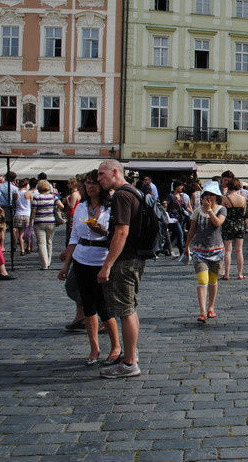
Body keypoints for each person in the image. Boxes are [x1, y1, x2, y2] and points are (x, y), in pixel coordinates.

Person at [57, 170, 121, 367]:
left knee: (104, 306)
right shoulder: (81, 207)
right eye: (87, 183)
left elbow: (118, 235)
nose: (91, 186)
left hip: (102, 259)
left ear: (102, 185)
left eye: (94, 183)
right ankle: (94, 348)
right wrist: (66, 265)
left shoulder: (111, 207)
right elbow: (74, 237)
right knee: (88, 306)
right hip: (82, 258)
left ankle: (116, 346)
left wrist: (101, 231)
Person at [96, 159, 145, 379]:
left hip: (124, 260)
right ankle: (131, 354)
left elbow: (122, 232)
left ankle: (129, 363)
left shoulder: (121, 196)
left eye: (101, 174)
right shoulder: (134, 192)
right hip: (134, 258)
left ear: (115, 172)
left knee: (125, 311)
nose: (98, 179)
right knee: (130, 309)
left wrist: (108, 264)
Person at [184, 182, 226, 323]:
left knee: (213, 281)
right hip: (199, 250)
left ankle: (211, 307)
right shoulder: (197, 210)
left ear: (216, 196)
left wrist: (209, 211)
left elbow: (218, 223)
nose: (209, 197)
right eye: (206, 194)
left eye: (212, 195)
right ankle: (202, 311)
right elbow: (192, 230)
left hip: (216, 250)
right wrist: (186, 246)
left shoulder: (221, 209)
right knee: (202, 280)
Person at [30, 179, 65, 270]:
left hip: (39, 222)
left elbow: (33, 212)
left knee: (41, 244)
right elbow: (62, 206)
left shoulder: (37, 197)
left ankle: (44, 264)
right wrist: (55, 208)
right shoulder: (53, 197)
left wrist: (31, 223)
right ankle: (48, 261)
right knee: (49, 242)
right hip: (51, 221)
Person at [220, 178, 247, 280]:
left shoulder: (225, 198)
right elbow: (244, 213)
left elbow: (222, 211)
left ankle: (226, 274)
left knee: (227, 250)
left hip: (228, 225)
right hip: (239, 225)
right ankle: (240, 274)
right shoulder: (243, 198)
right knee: (239, 250)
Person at [13, 178, 32, 255]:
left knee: (20, 234)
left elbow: (14, 205)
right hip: (27, 214)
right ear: (27, 185)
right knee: (28, 232)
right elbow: (32, 204)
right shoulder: (28, 193)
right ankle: (28, 247)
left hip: (18, 214)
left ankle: (22, 250)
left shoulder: (16, 194)